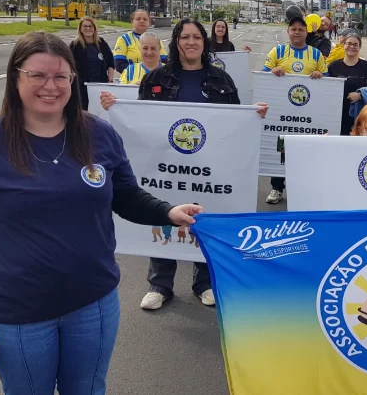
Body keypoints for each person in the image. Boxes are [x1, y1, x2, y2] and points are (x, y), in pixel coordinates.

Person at [0, 31, 202, 391]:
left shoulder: (99, 135)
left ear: (73, 80)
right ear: (15, 77)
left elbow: (125, 196)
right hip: (17, 313)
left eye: (61, 76)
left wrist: (168, 211)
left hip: (94, 304)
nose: (50, 86)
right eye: (37, 75)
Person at [100, 19, 269, 311]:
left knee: (205, 218)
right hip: (166, 166)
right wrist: (116, 107)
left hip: (209, 166)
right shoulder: (155, 79)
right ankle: (160, 284)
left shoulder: (221, 80)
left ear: (204, 43)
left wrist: (254, 115)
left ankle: (204, 282)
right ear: (176, 42)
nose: (191, 42)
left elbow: (235, 121)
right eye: (185, 37)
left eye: (196, 38)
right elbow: (140, 121)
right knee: (163, 213)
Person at [263, 16, 327, 204]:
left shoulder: (315, 55)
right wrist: (272, 72)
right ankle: (277, 187)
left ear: (306, 32)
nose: (297, 32)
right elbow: (263, 75)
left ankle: (305, 189)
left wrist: (320, 75)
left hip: (307, 115)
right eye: (294, 29)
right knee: (281, 149)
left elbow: (328, 80)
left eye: (301, 29)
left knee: (306, 150)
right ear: (288, 31)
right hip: (283, 114)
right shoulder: (278, 51)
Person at [328, 33, 367, 136]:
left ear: (359, 47)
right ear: (344, 45)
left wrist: (360, 95)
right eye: (349, 44)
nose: (352, 46)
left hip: (360, 117)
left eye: (355, 44)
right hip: (337, 117)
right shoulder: (333, 66)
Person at [70, 16, 114, 110]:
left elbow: (110, 63)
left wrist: (110, 81)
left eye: (90, 26)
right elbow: (69, 67)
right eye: (85, 26)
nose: (88, 28)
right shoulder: (75, 45)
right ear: (80, 29)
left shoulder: (101, 43)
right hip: (82, 88)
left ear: (94, 28)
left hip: (101, 86)